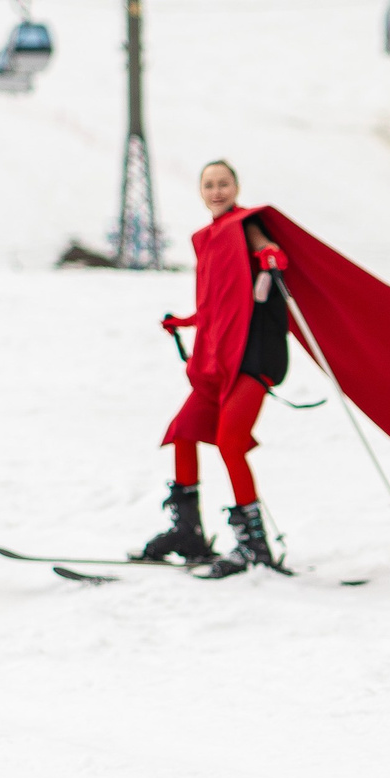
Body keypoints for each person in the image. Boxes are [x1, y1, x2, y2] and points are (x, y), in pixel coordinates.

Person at [135, 160, 292, 578]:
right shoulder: (206, 239)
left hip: (253, 357)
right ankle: (188, 533)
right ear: (201, 191)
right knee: (184, 432)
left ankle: (254, 545)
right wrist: (186, 322)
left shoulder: (244, 225)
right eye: (209, 184)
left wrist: (270, 254)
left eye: (224, 183)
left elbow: (259, 243)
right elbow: (216, 305)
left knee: (230, 440)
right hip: (217, 360)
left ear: (236, 187)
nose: (217, 190)